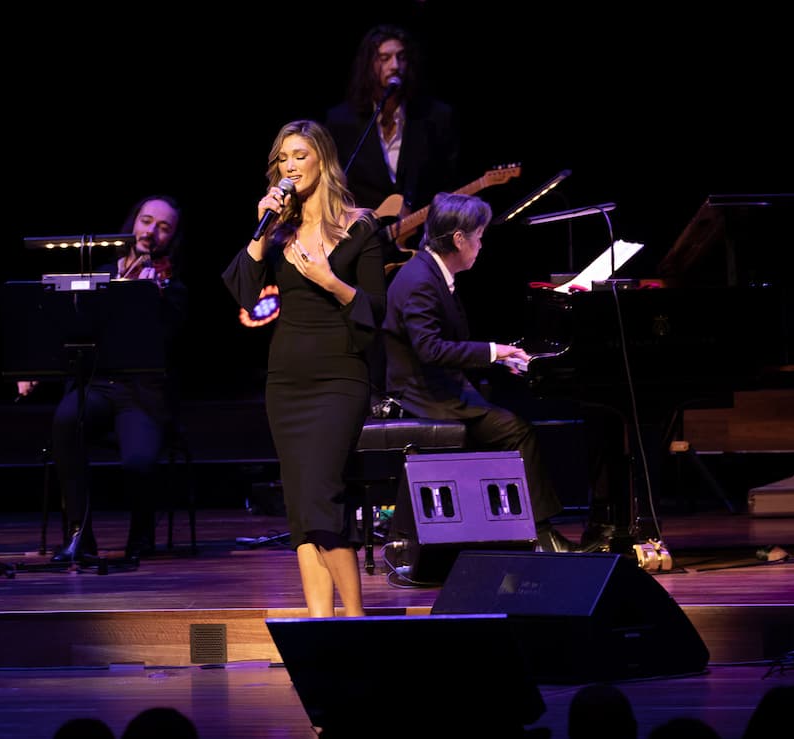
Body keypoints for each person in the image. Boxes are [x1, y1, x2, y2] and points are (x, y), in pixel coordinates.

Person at [223, 120, 386, 617]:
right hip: (287, 382)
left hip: (339, 378)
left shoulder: (360, 227)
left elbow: (376, 312)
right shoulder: (278, 232)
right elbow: (245, 298)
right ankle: (320, 621)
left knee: (320, 494)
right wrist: (260, 233)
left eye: (300, 156)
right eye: (283, 160)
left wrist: (329, 279)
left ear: (323, 160)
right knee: (301, 506)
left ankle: (355, 620)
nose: (290, 166)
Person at [380, 192, 575, 551]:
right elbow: (431, 349)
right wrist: (494, 352)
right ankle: (541, 534)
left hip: (439, 389)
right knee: (517, 432)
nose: (481, 245)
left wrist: (500, 358)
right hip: (422, 397)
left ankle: (506, 532)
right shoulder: (420, 281)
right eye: (479, 237)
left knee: (507, 424)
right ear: (459, 239)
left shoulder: (432, 272)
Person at [18, 195, 188, 563]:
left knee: (139, 462)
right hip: (96, 385)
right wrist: (36, 370)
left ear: (172, 237)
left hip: (140, 393)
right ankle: (80, 534)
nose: (151, 232)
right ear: (133, 224)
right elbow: (71, 330)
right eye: (146, 221)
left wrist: (155, 301)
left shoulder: (171, 286)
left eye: (163, 227)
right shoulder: (102, 273)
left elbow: (171, 342)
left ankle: (141, 536)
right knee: (65, 421)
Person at [324, 24, 459, 232]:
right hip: (362, 240)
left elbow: (448, 181)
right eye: (384, 58)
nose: (395, 65)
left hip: (421, 239)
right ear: (368, 65)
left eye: (402, 57)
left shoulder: (435, 117)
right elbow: (333, 187)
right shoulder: (341, 121)